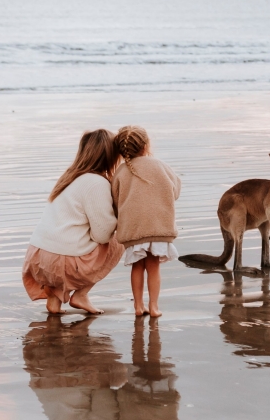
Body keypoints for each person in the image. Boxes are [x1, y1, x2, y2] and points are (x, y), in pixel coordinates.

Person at [22, 129, 124, 314]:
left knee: (69, 237)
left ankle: (54, 300)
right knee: (119, 239)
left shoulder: (69, 177)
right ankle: (81, 295)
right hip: (60, 263)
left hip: (36, 258)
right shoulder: (97, 183)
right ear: (111, 156)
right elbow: (102, 234)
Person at [112, 125, 181, 317]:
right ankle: (154, 307)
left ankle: (137, 306)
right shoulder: (160, 165)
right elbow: (175, 190)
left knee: (137, 266)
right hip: (158, 225)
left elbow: (115, 199)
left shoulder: (121, 171)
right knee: (154, 267)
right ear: (145, 145)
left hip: (134, 228)